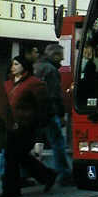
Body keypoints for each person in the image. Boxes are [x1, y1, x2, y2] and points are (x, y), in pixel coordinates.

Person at [0, 55, 56, 197]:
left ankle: (11, 190)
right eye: (12, 64)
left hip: (27, 125)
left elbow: (43, 105)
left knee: (12, 155)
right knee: (18, 156)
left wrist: (39, 126)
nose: (13, 67)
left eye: (17, 64)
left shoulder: (34, 83)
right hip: (11, 124)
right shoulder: (8, 83)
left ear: (24, 66)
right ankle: (47, 175)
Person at [34, 43, 72, 185]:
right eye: (60, 58)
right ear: (54, 56)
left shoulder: (36, 66)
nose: (61, 62)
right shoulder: (51, 70)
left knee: (28, 144)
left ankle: (23, 174)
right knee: (57, 142)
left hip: (33, 111)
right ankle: (64, 173)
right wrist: (61, 114)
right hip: (49, 112)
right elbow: (55, 95)